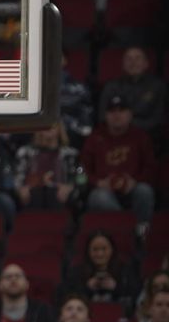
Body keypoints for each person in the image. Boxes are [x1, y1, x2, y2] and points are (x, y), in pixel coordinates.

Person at [81, 94, 156, 236]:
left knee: (145, 190)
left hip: (132, 188)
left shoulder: (140, 137)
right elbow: (83, 170)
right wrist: (98, 182)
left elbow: (151, 167)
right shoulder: (95, 138)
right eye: (112, 111)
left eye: (121, 110)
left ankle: (142, 232)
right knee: (98, 197)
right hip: (105, 190)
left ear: (130, 114)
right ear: (106, 115)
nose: (117, 115)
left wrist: (135, 181)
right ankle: (126, 229)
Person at [98, 46, 166, 141]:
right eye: (128, 58)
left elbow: (159, 118)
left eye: (138, 58)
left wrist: (129, 126)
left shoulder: (158, 87)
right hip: (115, 137)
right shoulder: (111, 86)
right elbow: (103, 116)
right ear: (123, 64)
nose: (133, 62)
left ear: (146, 63)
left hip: (148, 137)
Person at [63, 231, 139, 313]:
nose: (100, 254)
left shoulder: (125, 271)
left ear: (112, 250)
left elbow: (134, 296)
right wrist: (87, 288)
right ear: (88, 251)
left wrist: (116, 288)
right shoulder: (76, 272)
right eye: (95, 249)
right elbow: (67, 298)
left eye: (104, 249)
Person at [14, 123, 78, 210]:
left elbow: (79, 178)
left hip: (60, 194)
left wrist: (69, 188)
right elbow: (17, 177)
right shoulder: (25, 152)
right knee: (37, 194)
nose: (49, 128)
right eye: (46, 124)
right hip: (32, 193)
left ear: (60, 128)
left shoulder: (70, 154)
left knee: (53, 195)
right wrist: (20, 189)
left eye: (53, 124)